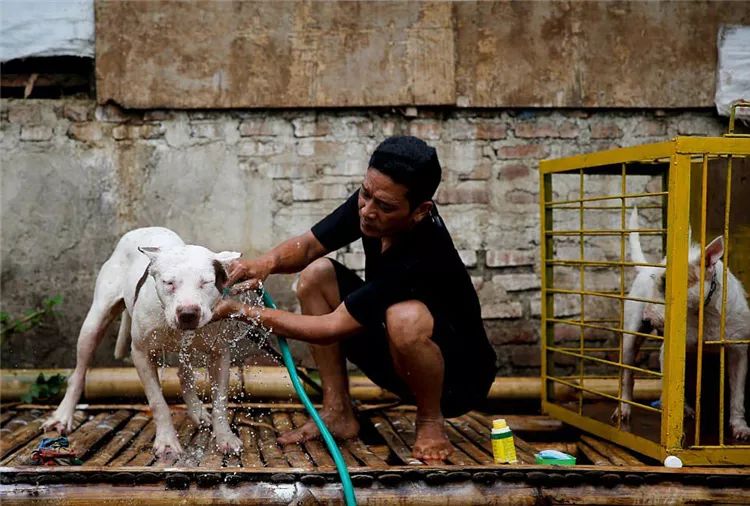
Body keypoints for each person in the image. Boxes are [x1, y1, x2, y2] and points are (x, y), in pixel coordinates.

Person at [212, 135, 497, 463]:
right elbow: (308, 247)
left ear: (420, 211)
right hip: (395, 359)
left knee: (405, 317)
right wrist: (265, 263)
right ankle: (337, 413)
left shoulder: (424, 254)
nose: (367, 210)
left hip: (457, 382)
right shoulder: (374, 202)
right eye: (365, 193)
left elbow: (330, 327)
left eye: (385, 206)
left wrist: (239, 311)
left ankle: (430, 422)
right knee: (317, 275)